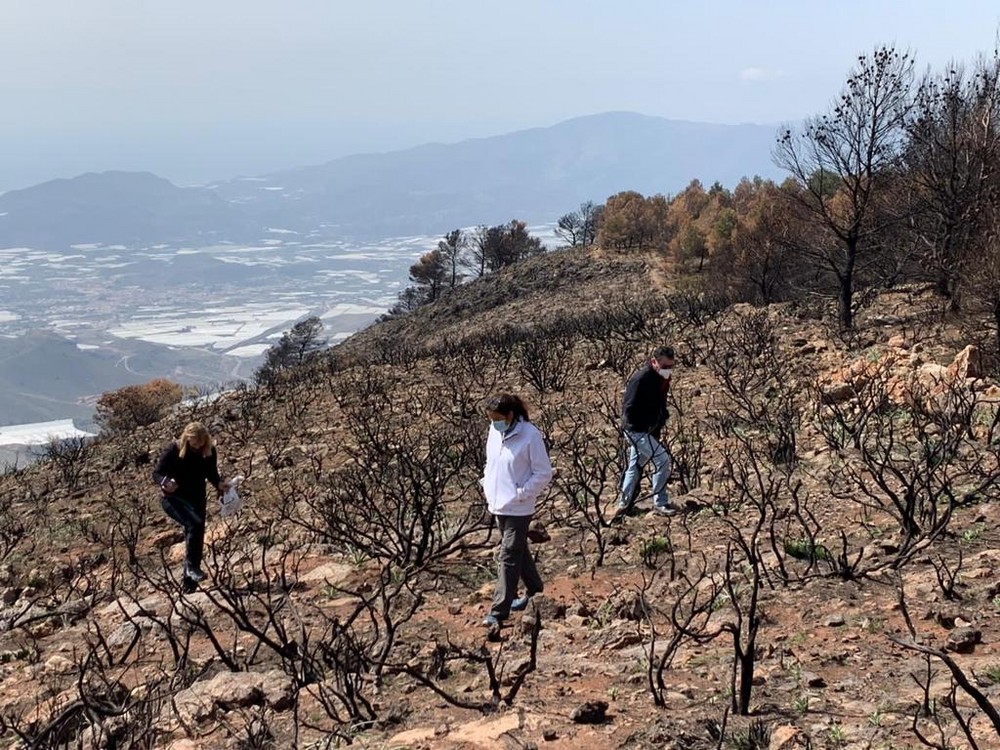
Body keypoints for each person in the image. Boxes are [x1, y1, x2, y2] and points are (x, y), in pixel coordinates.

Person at [481, 394, 553, 630]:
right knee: (517, 548)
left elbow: (543, 473)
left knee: (509, 554)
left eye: (497, 419)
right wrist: (486, 483)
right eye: (491, 419)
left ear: (510, 415)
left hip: (519, 506)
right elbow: (492, 461)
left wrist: (522, 493)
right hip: (498, 502)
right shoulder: (494, 432)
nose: (494, 423)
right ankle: (535, 590)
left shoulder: (530, 435)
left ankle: (498, 611)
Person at [152, 421, 228, 589]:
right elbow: (157, 473)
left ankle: (189, 583)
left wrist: (220, 484)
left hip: (197, 497)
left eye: (200, 445)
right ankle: (193, 568)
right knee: (194, 524)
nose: (197, 448)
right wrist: (166, 482)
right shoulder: (174, 450)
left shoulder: (209, 451)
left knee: (196, 532)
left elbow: (212, 474)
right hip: (174, 498)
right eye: (194, 445)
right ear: (187, 439)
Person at [613, 346, 678, 521]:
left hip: (646, 430)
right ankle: (660, 502)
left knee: (635, 466)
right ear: (654, 362)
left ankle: (624, 505)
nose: (668, 370)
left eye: (671, 366)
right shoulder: (641, 379)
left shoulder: (660, 378)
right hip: (637, 430)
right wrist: (647, 423)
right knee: (662, 460)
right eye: (665, 366)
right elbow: (629, 407)